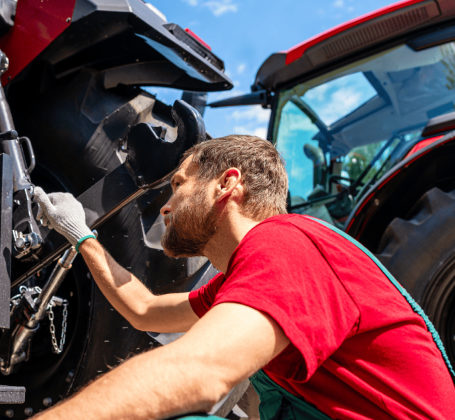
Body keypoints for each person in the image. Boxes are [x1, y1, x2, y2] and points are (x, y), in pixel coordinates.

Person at [30, 135, 454, 420]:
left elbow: (198, 371)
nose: (165, 205)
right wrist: (81, 235)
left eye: (179, 184)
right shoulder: (250, 273)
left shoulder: (285, 244)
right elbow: (145, 310)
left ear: (226, 185)